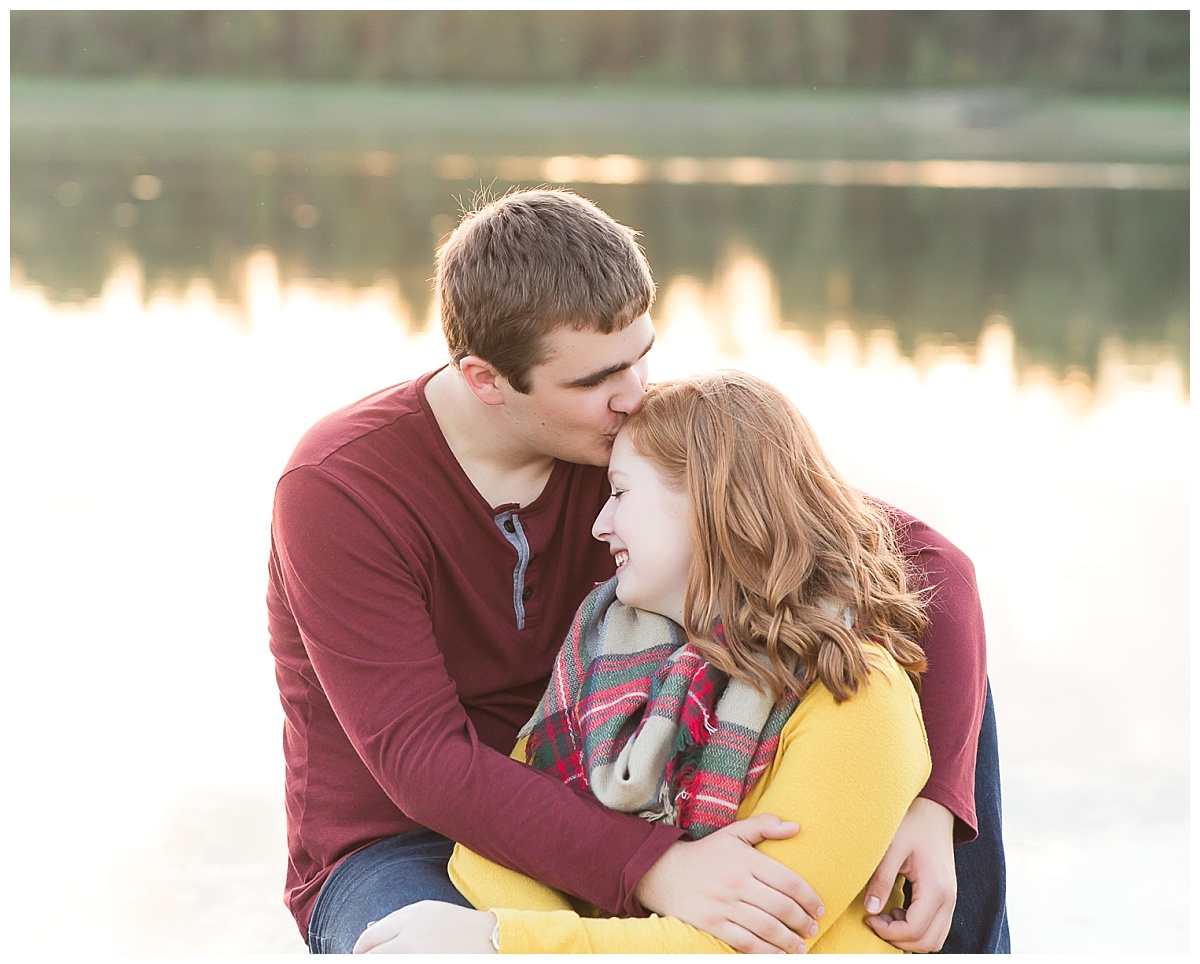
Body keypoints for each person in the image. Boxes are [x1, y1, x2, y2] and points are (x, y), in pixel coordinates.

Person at [267, 187, 1008, 955]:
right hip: (405, 840)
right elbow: (422, 760)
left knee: (926, 667)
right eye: (594, 381)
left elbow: (928, 564)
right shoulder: (340, 489)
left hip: (621, 783)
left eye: (641, 355)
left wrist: (937, 805)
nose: (634, 395)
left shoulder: (628, 438)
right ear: (486, 380)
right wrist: (654, 869)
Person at [352, 369, 934, 954]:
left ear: (710, 503)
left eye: (621, 493)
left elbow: (756, 942)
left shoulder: (858, 696)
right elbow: (496, 854)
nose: (599, 524)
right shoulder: (607, 662)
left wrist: (506, 942)